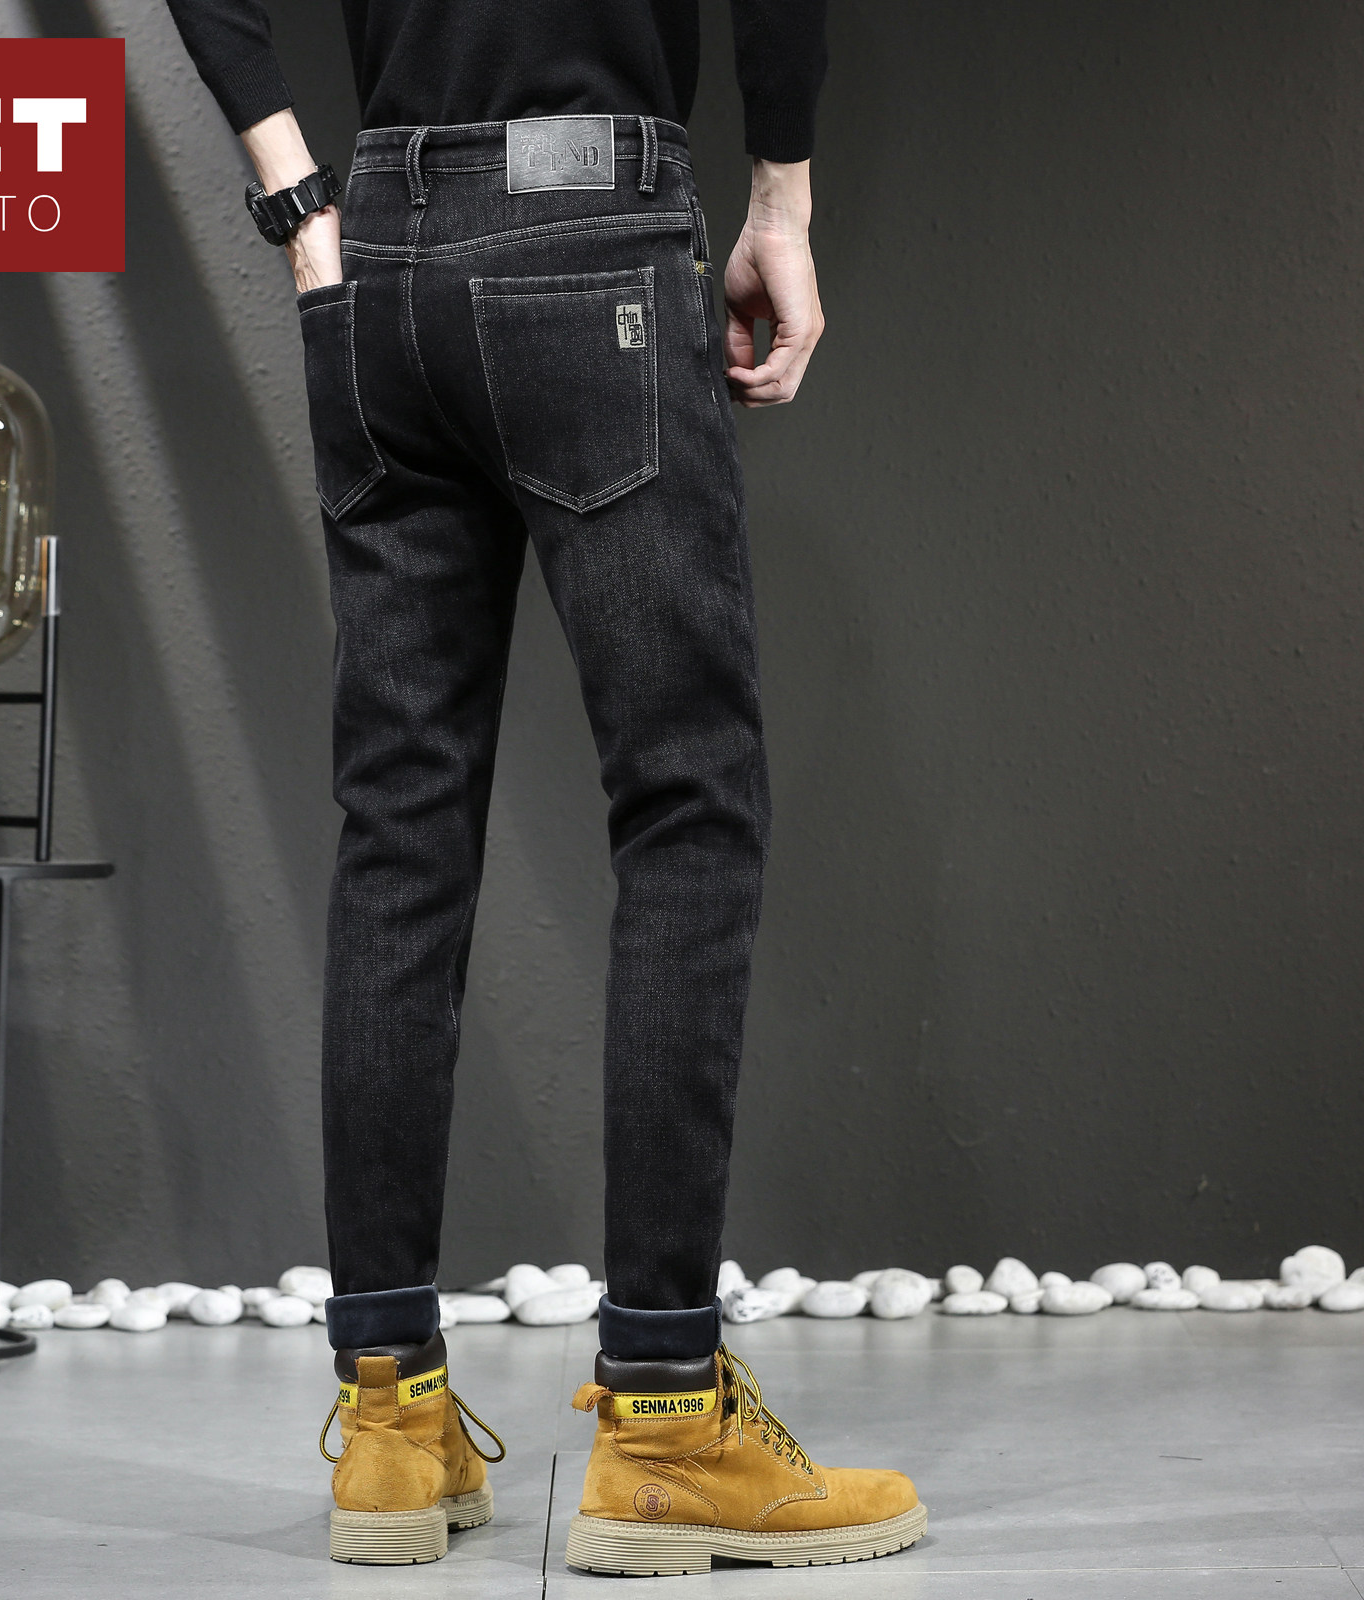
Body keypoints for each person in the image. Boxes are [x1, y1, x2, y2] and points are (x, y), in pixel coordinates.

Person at [165, 0, 925, 1573]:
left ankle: (388, 1421)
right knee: (687, 811)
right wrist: (783, 196)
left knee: (398, 833)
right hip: (594, 228)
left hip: (379, 251)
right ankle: (664, 1425)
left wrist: (299, 196)